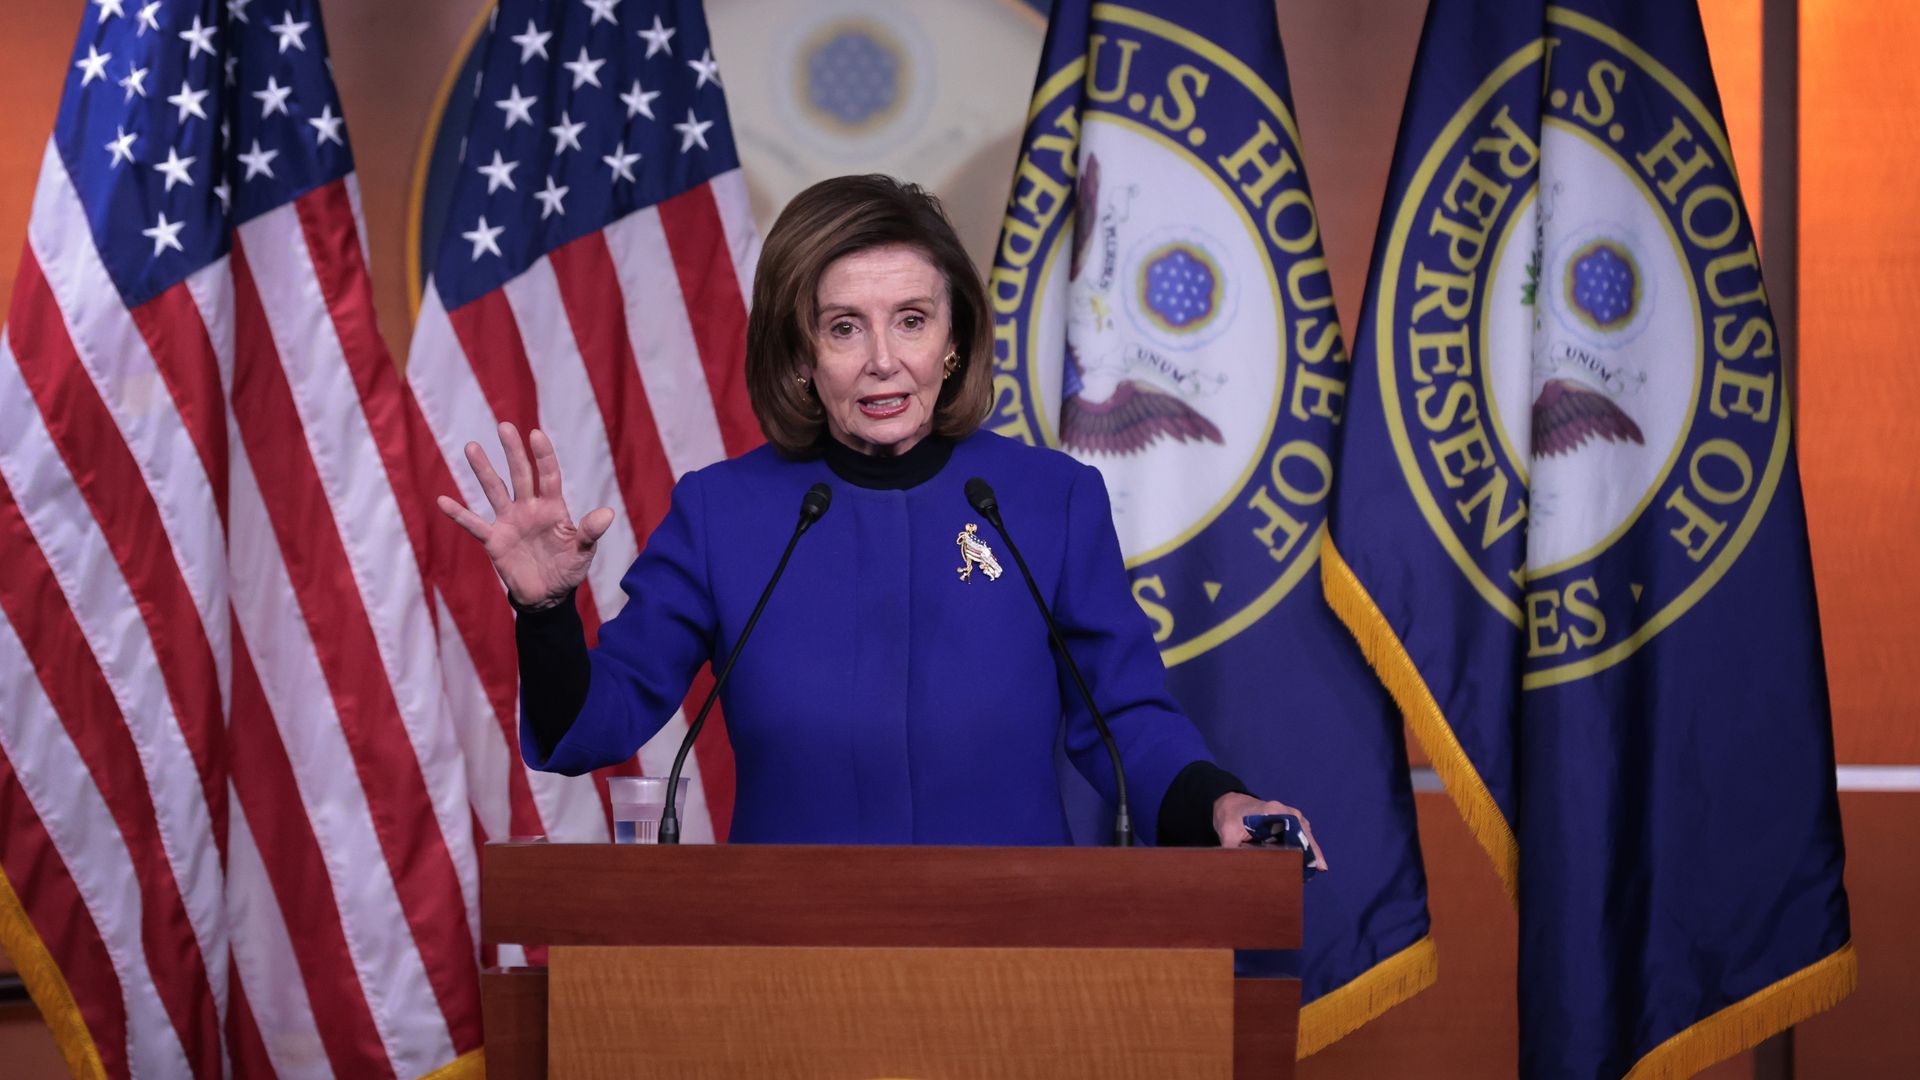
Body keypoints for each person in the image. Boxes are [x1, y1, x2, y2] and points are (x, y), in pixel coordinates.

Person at [437, 174, 1325, 860]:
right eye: (844, 328)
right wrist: (546, 614)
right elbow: (591, 726)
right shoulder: (724, 514)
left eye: (910, 319)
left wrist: (1220, 801)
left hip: (1021, 955)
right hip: (788, 968)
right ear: (799, 356)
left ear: (955, 342)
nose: (884, 362)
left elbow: (1125, 720)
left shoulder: (1045, 501)